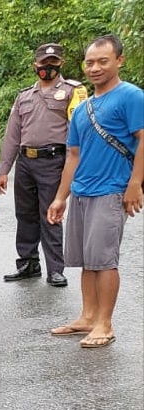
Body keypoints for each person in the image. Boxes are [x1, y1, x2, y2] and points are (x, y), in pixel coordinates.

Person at [47, 34, 143, 348]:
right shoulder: (81, 108)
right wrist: (62, 197)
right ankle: (88, 317)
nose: (95, 67)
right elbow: (73, 156)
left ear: (119, 61)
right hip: (83, 192)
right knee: (86, 259)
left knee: (104, 259)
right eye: (90, 62)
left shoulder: (130, 96)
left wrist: (134, 184)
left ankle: (105, 322)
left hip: (112, 190)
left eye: (103, 61)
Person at [0, 43, 88, 287]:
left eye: (53, 63)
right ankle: (27, 263)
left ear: (61, 64)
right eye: (43, 64)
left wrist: (77, 165)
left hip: (54, 160)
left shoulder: (72, 91)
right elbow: (13, 134)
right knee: (24, 215)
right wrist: (4, 170)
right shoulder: (24, 96)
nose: (47, 68)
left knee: (51, 214)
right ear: (35, 65)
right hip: (26, 162)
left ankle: (56, 269)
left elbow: (79, 131)